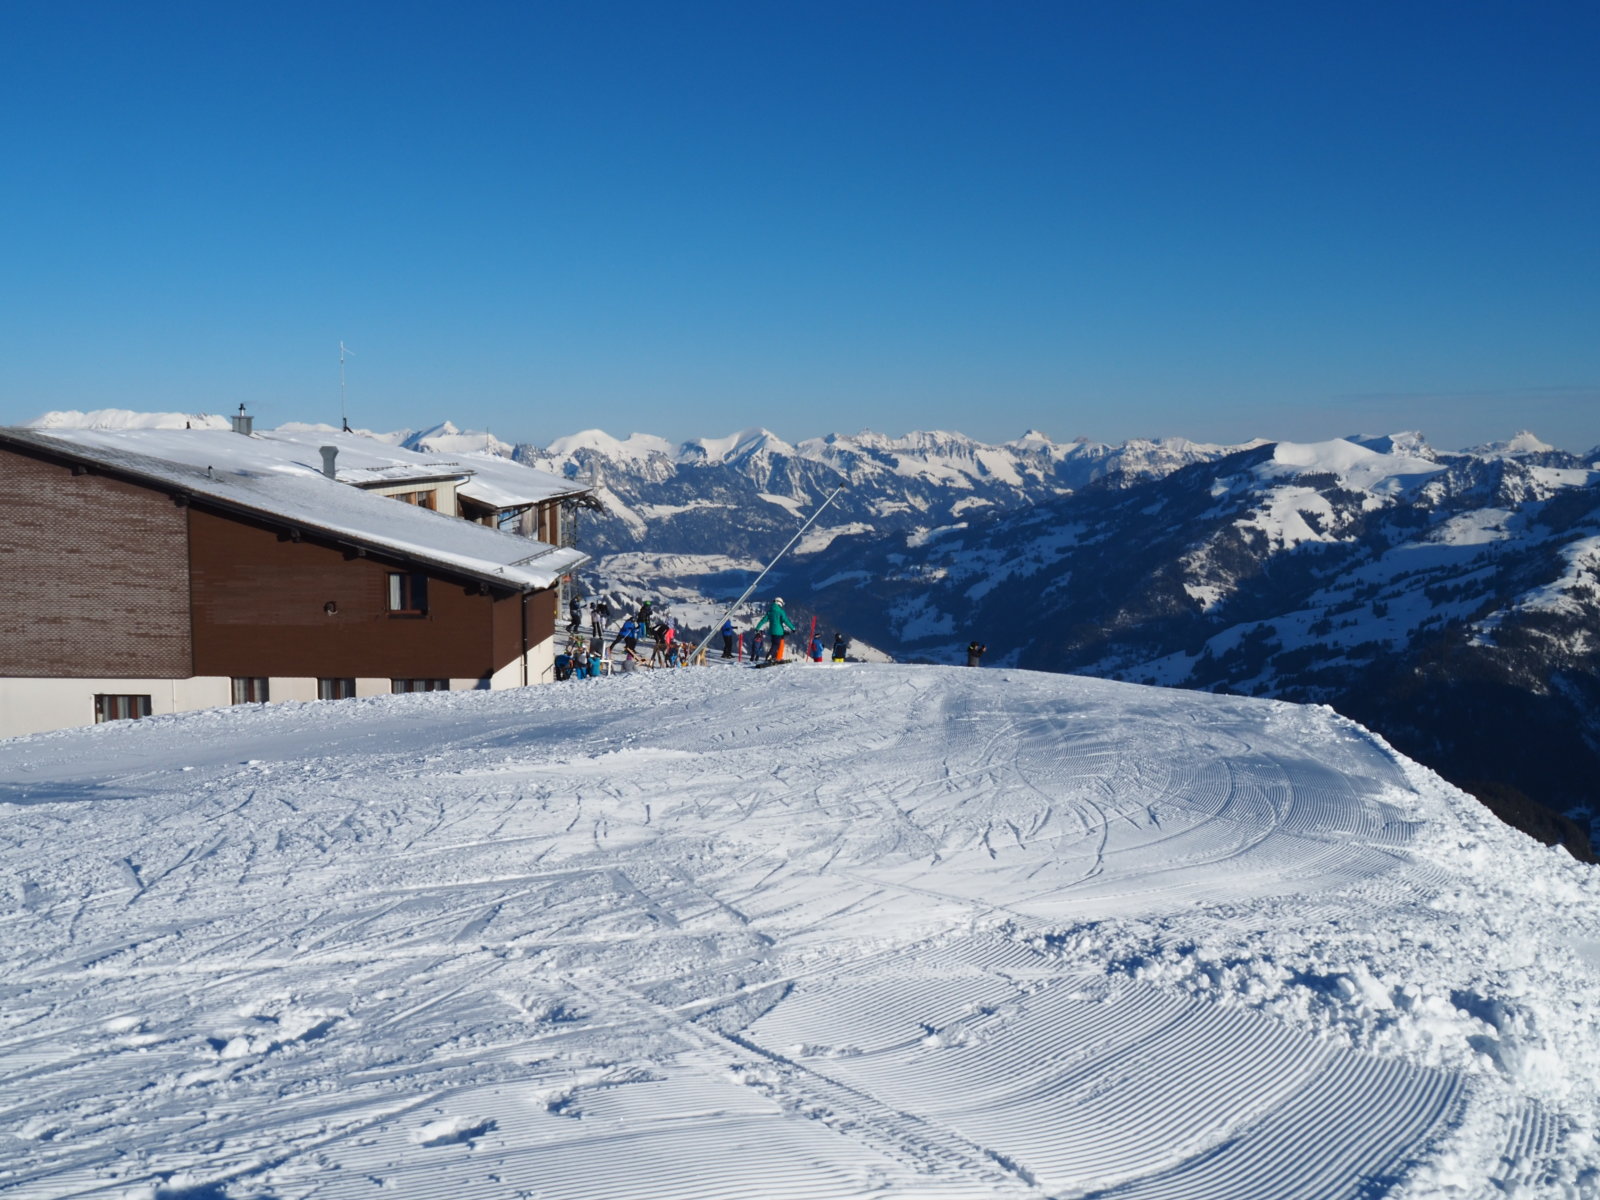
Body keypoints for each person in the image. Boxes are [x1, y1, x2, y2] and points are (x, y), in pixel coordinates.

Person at [755, 597, 797, 662]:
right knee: (776, 645)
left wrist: (757, 628)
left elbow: (763, 620)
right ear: (779, 603)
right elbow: (786, 621)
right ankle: (769, 656)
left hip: (772, 631)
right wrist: (793, 628)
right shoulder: (780, 612)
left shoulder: (770, 611)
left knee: (774, 644)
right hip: (779, 632)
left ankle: (773, 657)